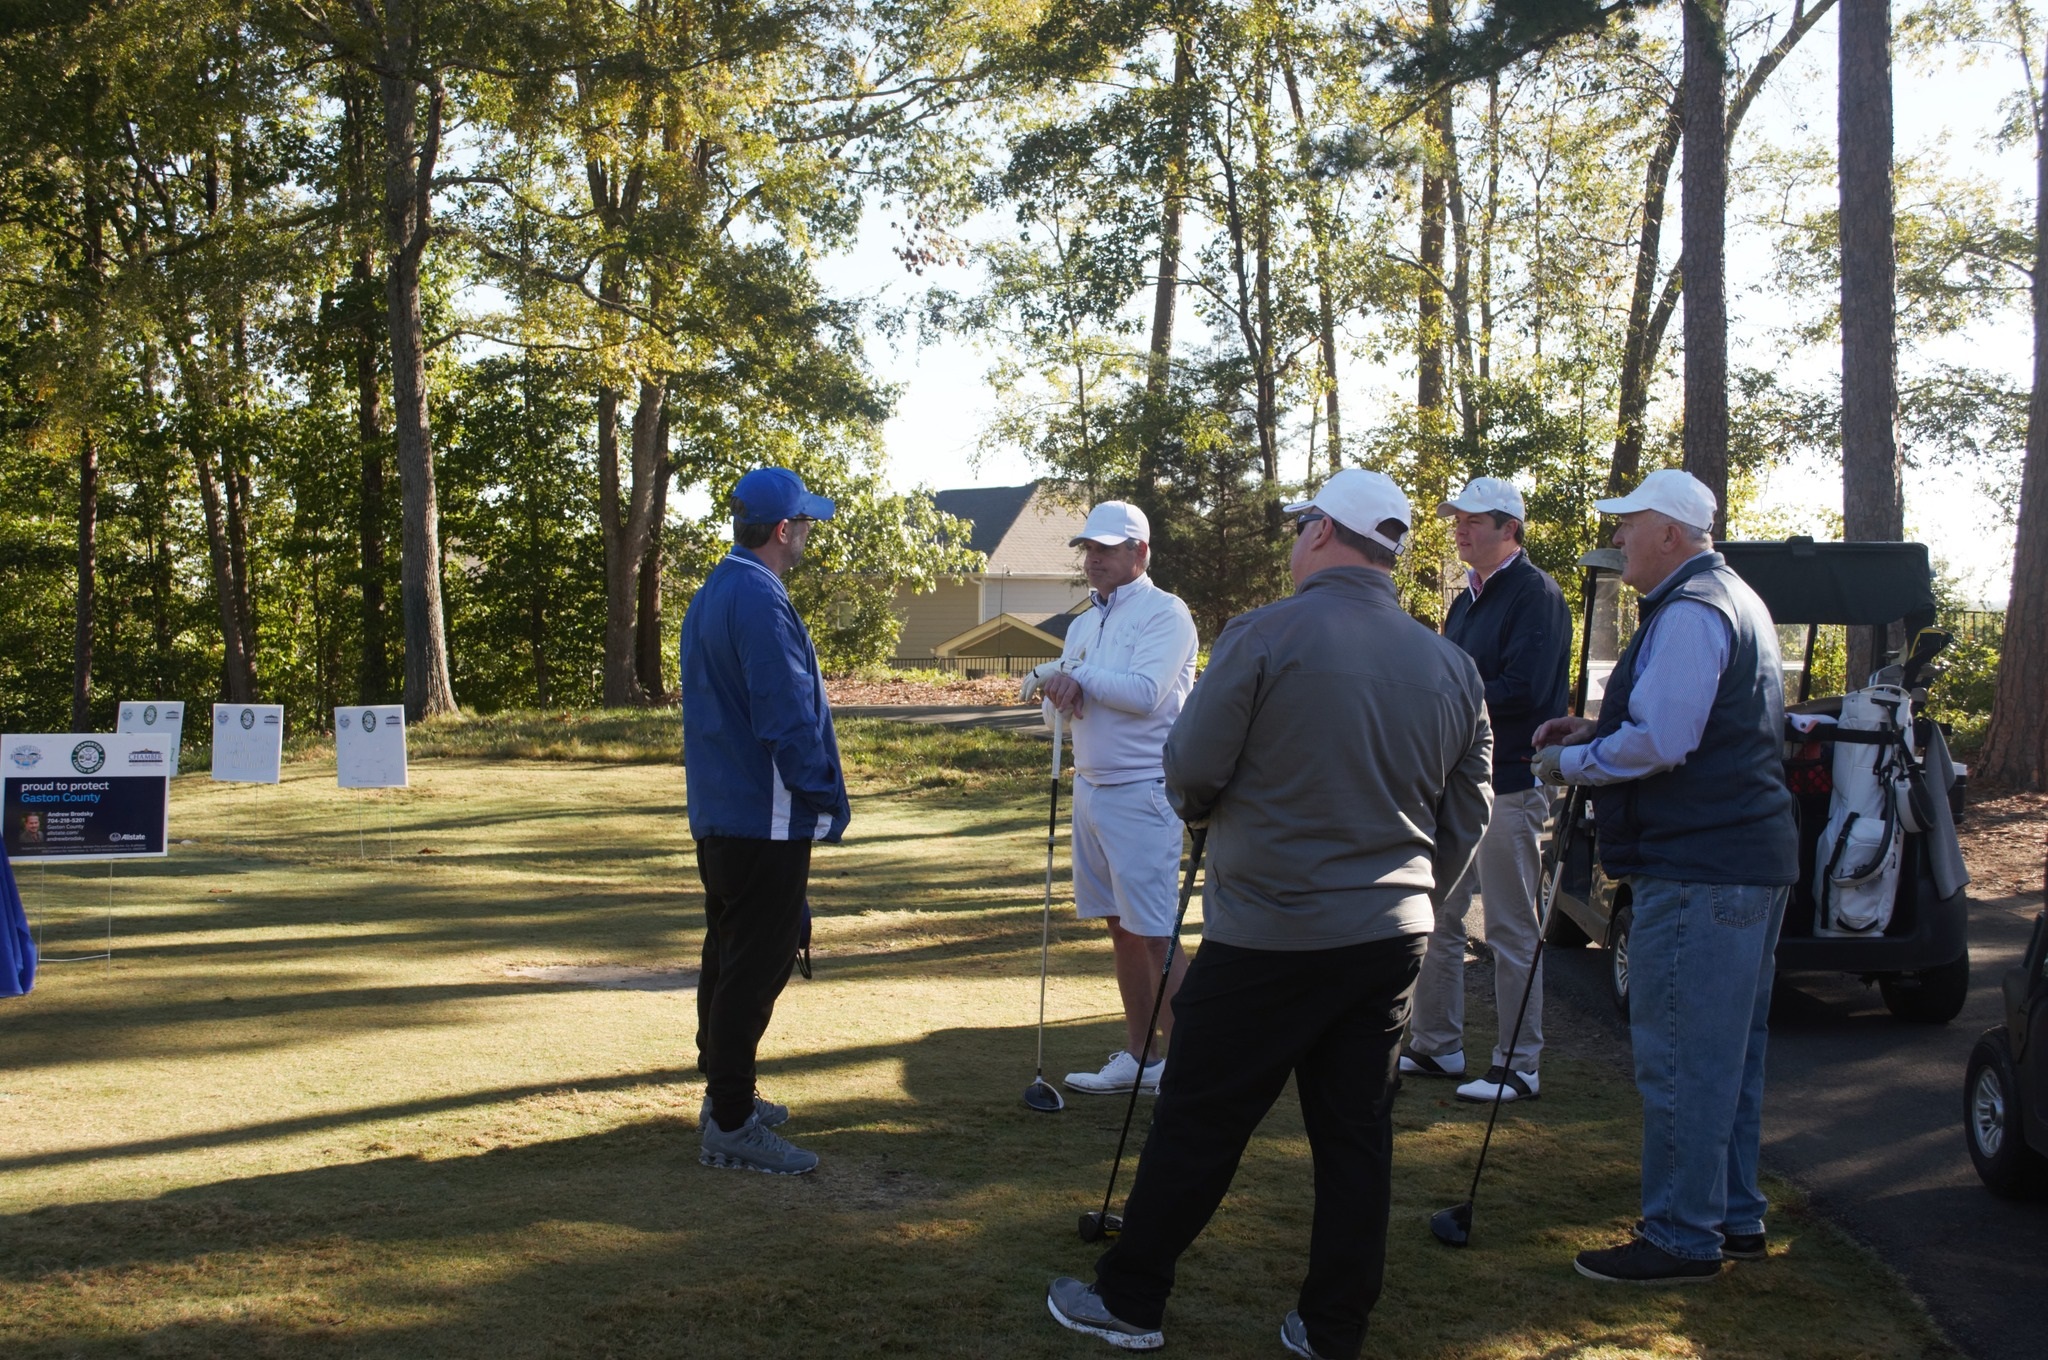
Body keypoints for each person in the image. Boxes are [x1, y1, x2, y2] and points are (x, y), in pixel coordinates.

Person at [1046, 469, 1493, 1359]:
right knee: (1356, 1135)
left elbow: (1192, 768)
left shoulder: (1265, 634)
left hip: (1272, 930)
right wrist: (1414, 894)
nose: (1294, 543)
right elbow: (1467, 811)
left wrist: (1215, 813)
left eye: (1301, 528)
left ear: (1324, 533)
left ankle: (1130, 1299)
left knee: (1200, 1118)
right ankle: (1332, 1328)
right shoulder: (1450, 663)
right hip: (1391, 935)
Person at [1530, 468, 1797, 1284]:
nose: (1618, 537)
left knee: (1682, 1055)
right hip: (1743, 860)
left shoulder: (1689, 611)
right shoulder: (1728, 599)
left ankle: (1683, 1237)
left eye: (1628, 524)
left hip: (1703, 863)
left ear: (1671, 535)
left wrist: (1569, 759)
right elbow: (1678, 723)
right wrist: (1598, 725)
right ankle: (1734, 1218)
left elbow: (1664, 742)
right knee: (1729, 1056)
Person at [680, 466, 850, 1177]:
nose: (809, 532)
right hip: (762, 816)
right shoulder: (758, 596)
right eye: (805, 523)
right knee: (755, 965)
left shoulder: (717, 589)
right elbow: (783, 716)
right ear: (784, 531)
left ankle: (729, 1095)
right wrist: (824, 799)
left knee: (729, 957)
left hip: (726, 812)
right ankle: (729, 1119)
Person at [1018, 501, 1199, 1096]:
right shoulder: (1082, 622)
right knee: (1120, 927)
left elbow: (1146, 693)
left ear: (1139, 553)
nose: (1092, 559)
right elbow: (1063, 710)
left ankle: (1192, 1059)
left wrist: (1074, 674)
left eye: (1106, 548)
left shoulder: (1165, 614)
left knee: (1153, 932)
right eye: (1088, 549)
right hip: (1091, 787)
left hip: (1143, 790)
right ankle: (1142, 1055)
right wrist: (1055, 689)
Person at [1404, 477, 1571, 1104]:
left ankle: (1518, 1063)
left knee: (1508, 928)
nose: (1460, 529)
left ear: (1511, 529)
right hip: (1461, 785)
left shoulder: (1537, 594)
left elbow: (1524, 688)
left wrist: (1446, 700)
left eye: (1474, 520)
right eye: (1457, 519)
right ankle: (1438, 1044)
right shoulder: (1464, 600)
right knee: (1441, 917)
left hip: (1512, 781)